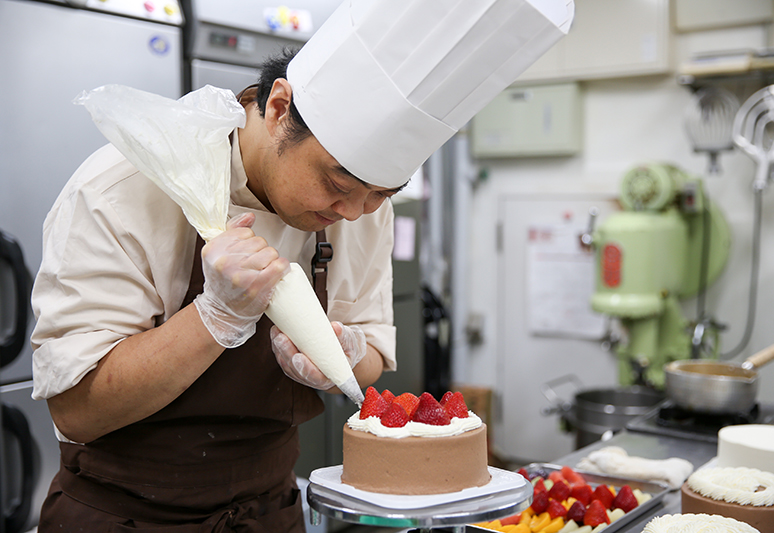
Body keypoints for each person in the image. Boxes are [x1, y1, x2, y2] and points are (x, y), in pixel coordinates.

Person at [30, 0, 573, 530]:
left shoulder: (361, 208)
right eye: (338, 185)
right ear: (278, 108)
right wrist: (214, 318)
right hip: (126, 515)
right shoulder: (123, 188)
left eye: (381, 195)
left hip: (274, 511)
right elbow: (77, 411)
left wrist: (342, 354)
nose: (354, 213)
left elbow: (372, 356)